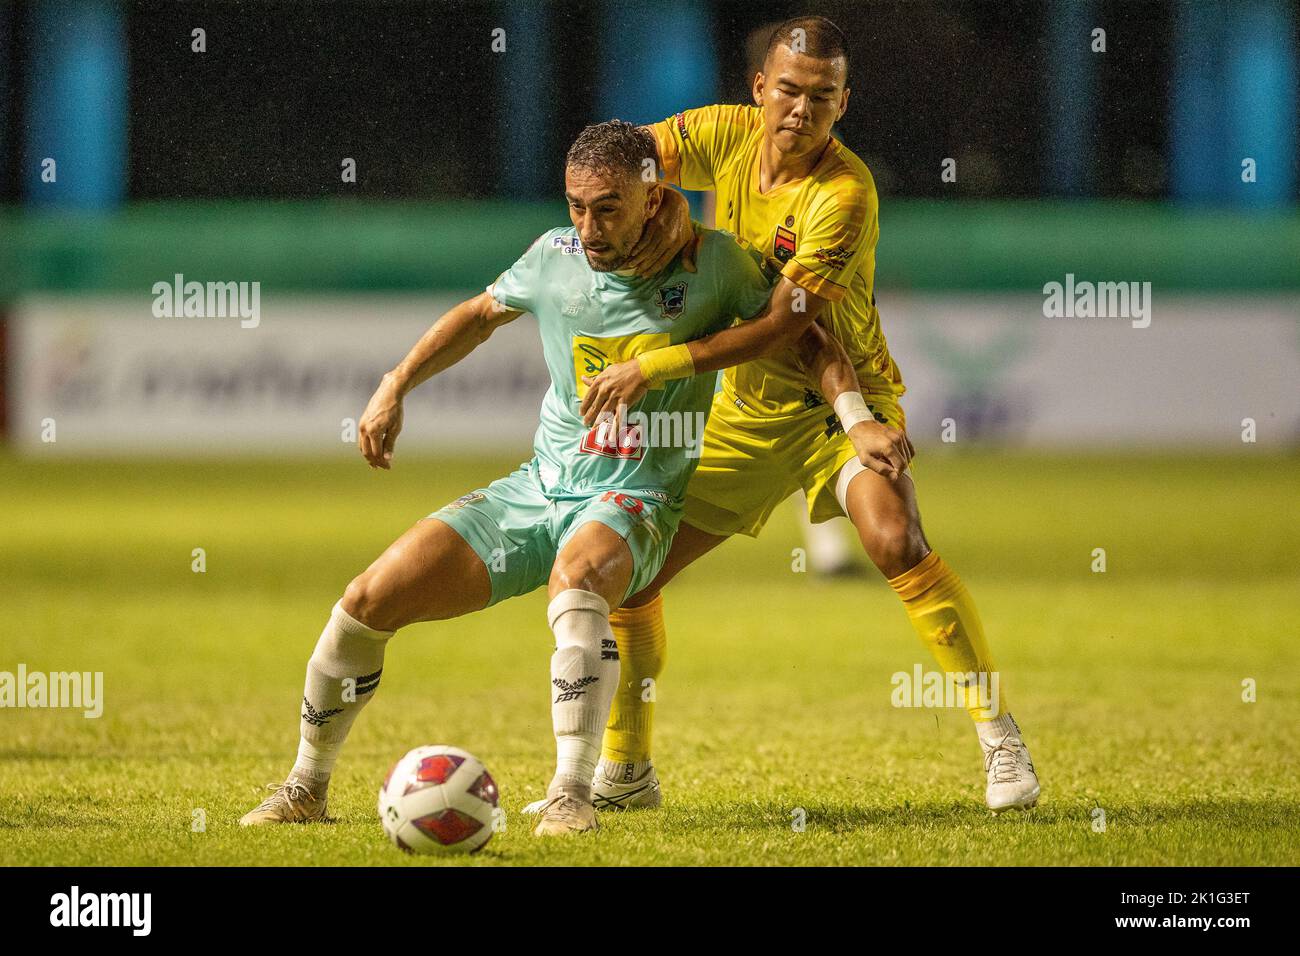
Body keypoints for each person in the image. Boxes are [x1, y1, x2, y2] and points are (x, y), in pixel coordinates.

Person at [237, 120, 857, 837]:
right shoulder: (553, 257)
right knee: (366, 599)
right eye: (576, 205)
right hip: (539, 486)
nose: (588, 226)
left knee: (580, 578)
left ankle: (571, 792)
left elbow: (804, 333)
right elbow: (479, 315)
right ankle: (305, 786)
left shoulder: (715, 264)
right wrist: (395, 384)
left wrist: (855, 415)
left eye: (608, 207)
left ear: (653, 197)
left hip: (636, 497)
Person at [572, 16, 1040, 814]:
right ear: (760, 88)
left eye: (821, 96)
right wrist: (620, 215)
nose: (800, 108)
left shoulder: (845, 194)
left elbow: (791, 325)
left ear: (842, 104)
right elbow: (622, 160)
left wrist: (656, 364)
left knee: (896, 541)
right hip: (745, 416)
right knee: (629, 572)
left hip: (839, 403)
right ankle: (628, 768)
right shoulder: (719, 135)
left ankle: (1001, 740)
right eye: (787, 89)